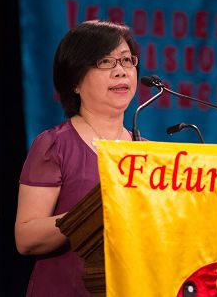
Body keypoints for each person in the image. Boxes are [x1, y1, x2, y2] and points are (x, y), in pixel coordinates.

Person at [15, 20, 139, 296]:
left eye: (127, 61)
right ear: (75, 82)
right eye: (105, 62)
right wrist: (92, 216)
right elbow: (26, 237)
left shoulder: (146, 151)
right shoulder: (54, 145)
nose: (121, 72)